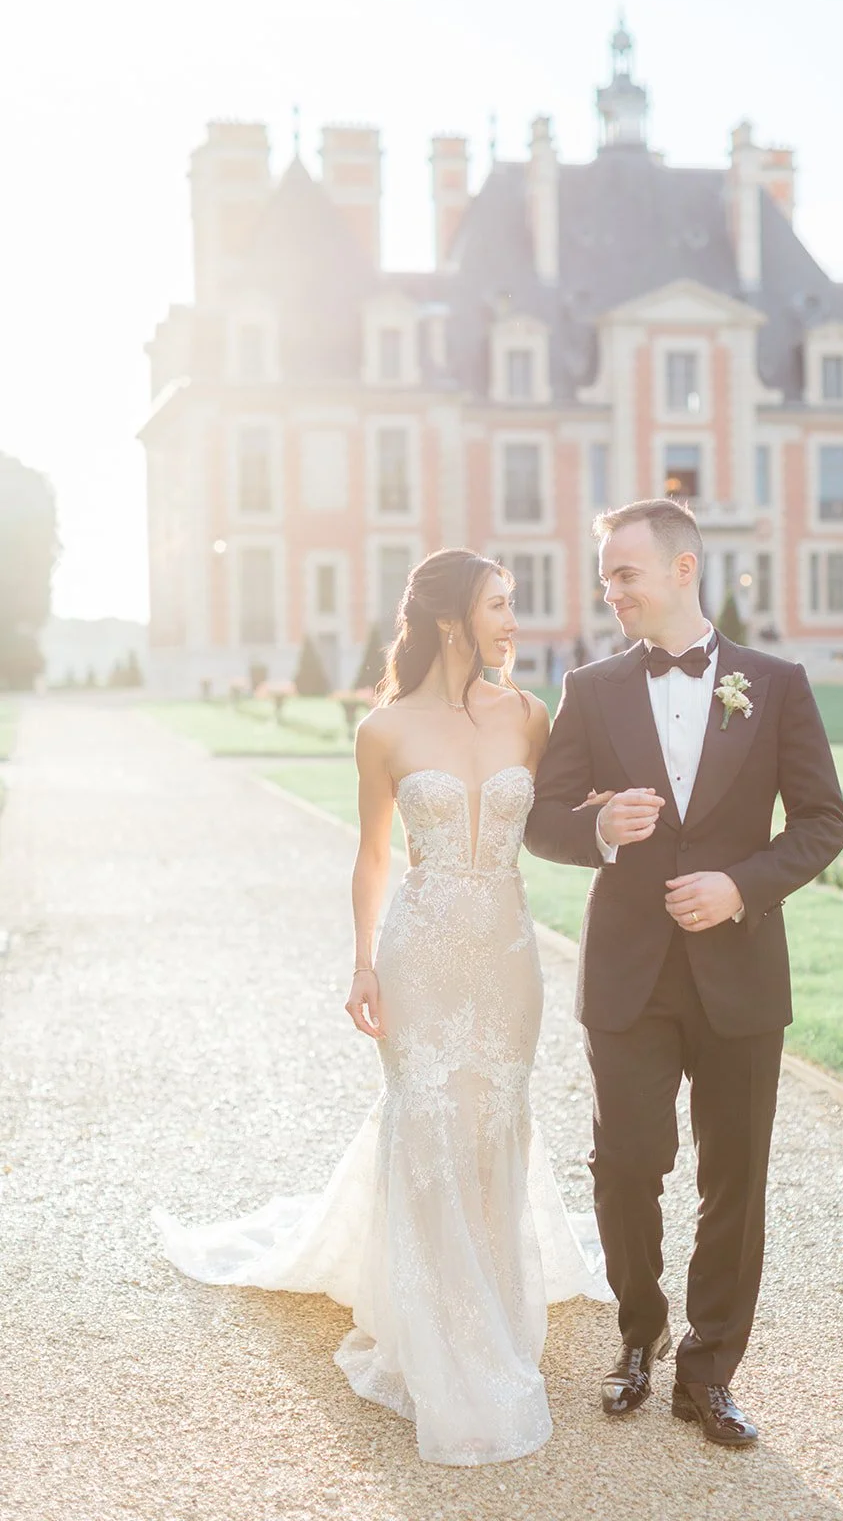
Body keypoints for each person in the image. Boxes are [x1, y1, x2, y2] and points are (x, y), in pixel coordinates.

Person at [152, 548, 608, 1467]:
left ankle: (494, 1296)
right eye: (499, 605)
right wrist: (362, 964)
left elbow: (559, 817)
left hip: (506, 953)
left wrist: (611, 813)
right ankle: (443, 1332)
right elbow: (370, 858)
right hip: (421, 953)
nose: (515, 620)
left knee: (496, 1122)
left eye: (512, 604)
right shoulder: (386, 731)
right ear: (451, 620)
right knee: (431, 1122)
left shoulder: (528, 715)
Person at [525, 499, 843, 1448]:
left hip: (738, 970)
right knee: (625, 1166)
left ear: (682, 569)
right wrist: (594, 831)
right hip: (628, 972)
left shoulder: (776, 683)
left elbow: (823, 822)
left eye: (623, 574)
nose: (610, 592)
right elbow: (539, 818)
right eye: (603, 578)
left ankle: (708, 1372)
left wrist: (739, 886)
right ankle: (637, 1334)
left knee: (734, 1175)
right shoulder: (589, 688)